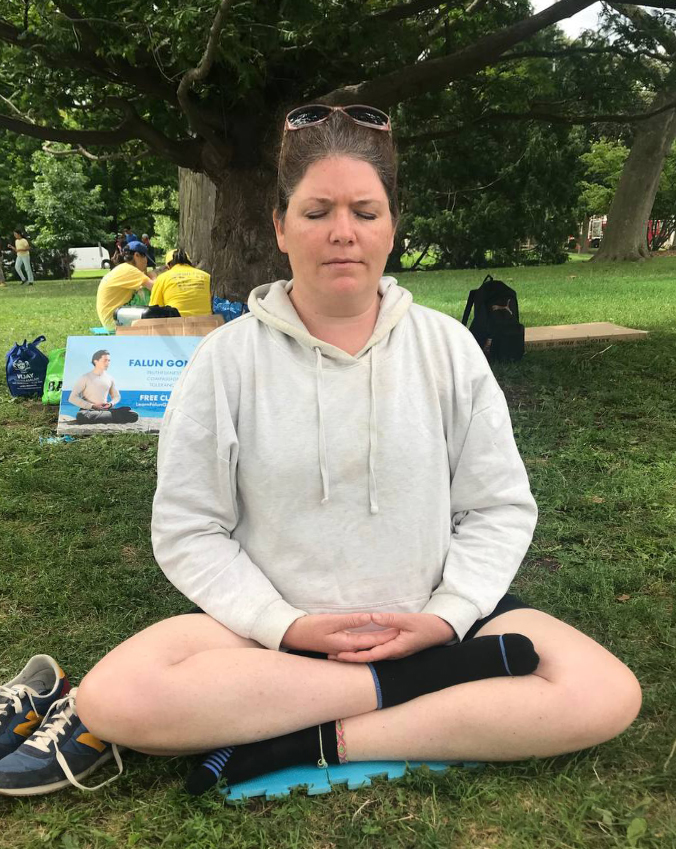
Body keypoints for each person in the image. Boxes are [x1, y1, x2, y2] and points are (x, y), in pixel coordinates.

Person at [0, 104, 641, 798]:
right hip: (270, 641)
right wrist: (287, 626)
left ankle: (305, 737)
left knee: (603, 692)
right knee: (116, 697)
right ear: (280, 226)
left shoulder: (449, 349)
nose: (343, 232)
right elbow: (189, 527)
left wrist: (447, 616)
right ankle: (425, 690)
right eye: (317, 212)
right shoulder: (224, 361)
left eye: (365, 212)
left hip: (439, 623)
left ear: (392, 227)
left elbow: (499, 508)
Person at [67, 350, 138, 425]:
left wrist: (110, 404)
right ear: (96, 361)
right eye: (105, 360)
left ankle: (106, 416)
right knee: (82, 416)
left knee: (133, 414)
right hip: (89, 410)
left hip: (105, 410)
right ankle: (112, 416)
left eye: (109, 361)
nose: (108, 363)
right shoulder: (85, 377)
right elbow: (72, 398)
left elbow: (116, 396)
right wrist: (92, 406)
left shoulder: (110, 378)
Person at [95, 241, 154, 330]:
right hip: (115, 322)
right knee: (145, 292)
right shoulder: (130, 270)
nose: (146, 261)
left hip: (111, 319)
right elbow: (156, 288)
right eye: (145, 257)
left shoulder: (123, 268)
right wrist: (154, 275)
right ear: (137, 255)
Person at [148, 249, 211, 317]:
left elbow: (153, 309)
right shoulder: (207, 276)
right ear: (189, 263)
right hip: (208, 321)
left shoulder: (162, 278)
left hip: (176, 321)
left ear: (169, 266)